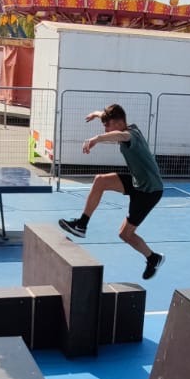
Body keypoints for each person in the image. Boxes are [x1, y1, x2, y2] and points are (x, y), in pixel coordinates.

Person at [57, 104, 166, 279]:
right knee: (100, 181)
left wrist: (97, 138)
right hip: (137, 182)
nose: (106, 129)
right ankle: (82, 225)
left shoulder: (132, 134)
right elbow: (110, 122)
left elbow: (120, 135)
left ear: (118, 122)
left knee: (125, 234)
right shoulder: (122, 125)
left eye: (107, 126)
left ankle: (153, 258)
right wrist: (96, 113)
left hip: (150, 191)